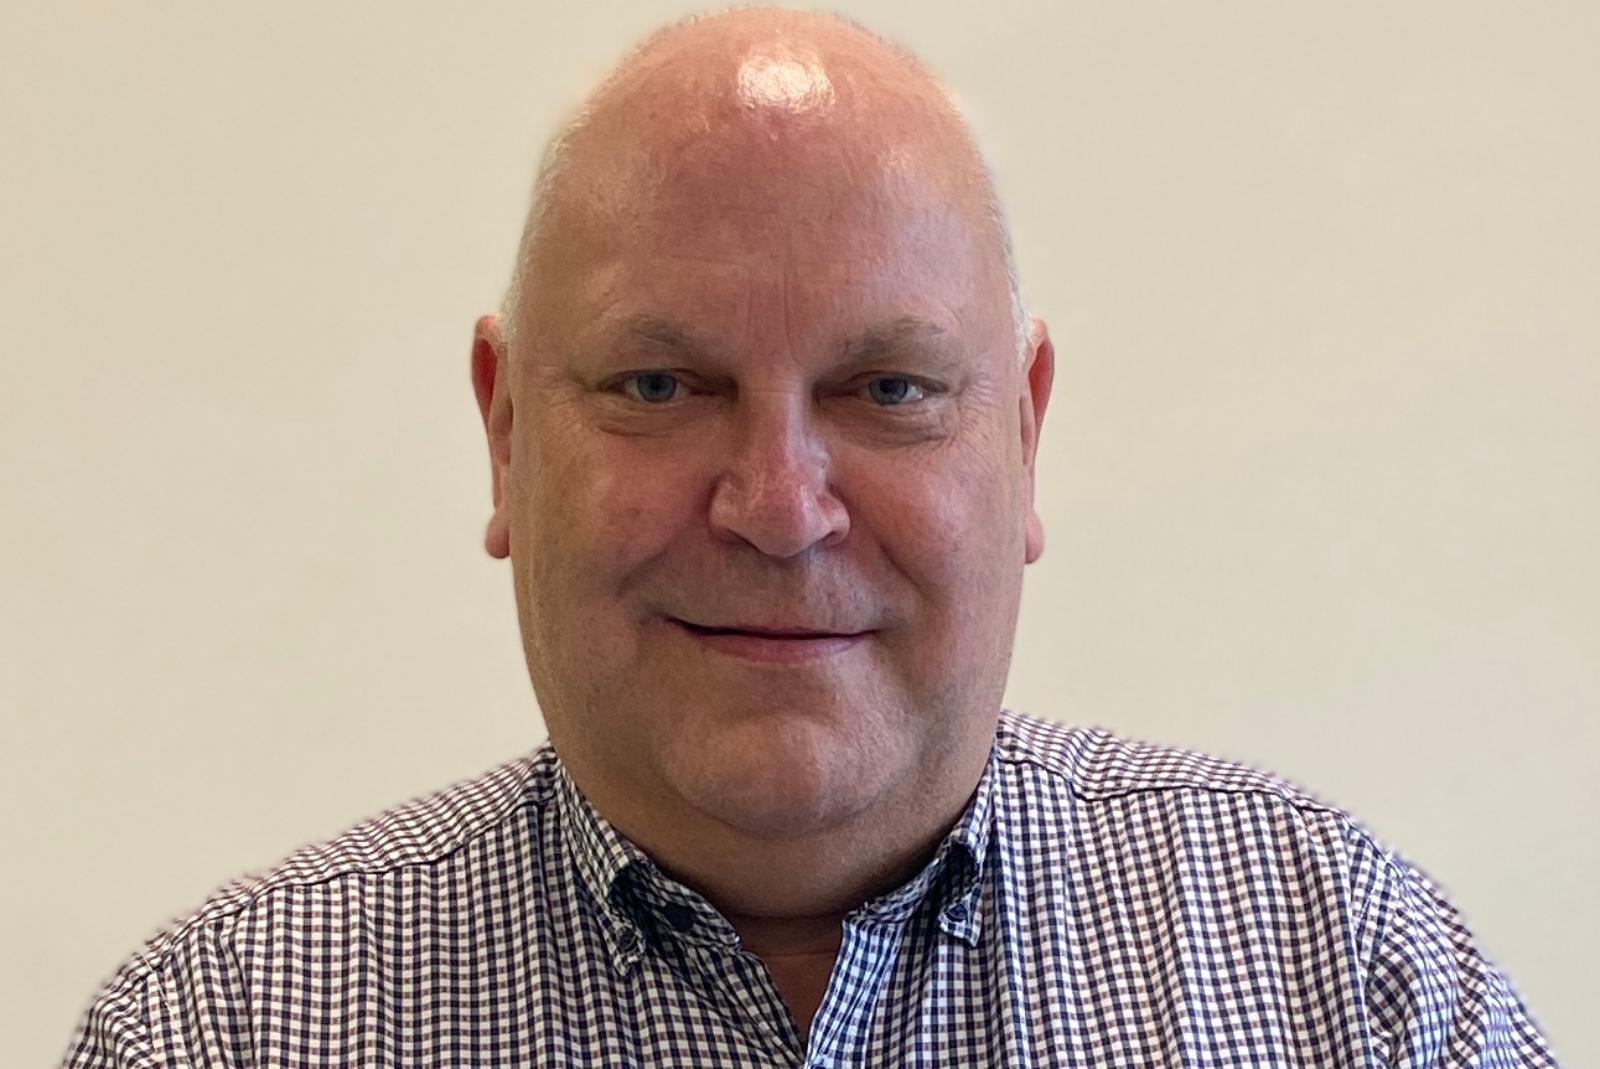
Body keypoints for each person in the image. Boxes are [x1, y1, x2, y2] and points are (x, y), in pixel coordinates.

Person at [62, 8, 1556, 1067]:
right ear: (506, 431)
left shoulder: (1343, 982)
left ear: (1023, 432)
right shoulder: (219, 1032)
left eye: (889, 389)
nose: (780, 508)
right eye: (661, 385)